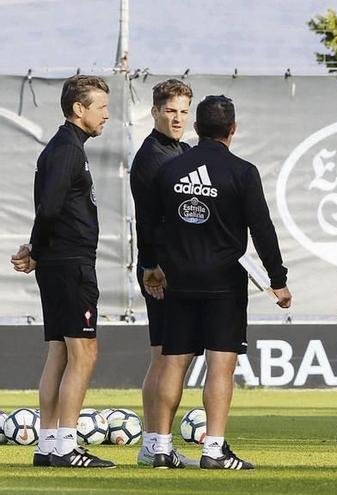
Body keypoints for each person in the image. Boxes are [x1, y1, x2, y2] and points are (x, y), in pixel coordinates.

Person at [138, 95, 291, 470]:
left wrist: (150, 265)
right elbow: (262, 230)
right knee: (221, 366)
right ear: (232, 130)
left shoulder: (171, 170)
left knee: (173, 363)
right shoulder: (242, 172)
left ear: (196, 127)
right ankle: (214, 449)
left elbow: (148, 223)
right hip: (224, 284)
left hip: (179, 281)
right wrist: (278, 280)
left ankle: (159, 446)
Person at [10, 75, 114, 468]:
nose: (107, 115)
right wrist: (36, 248)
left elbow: (51, 208)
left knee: (59, 352)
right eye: (101, 107)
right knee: (84, 352)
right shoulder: (68, 149)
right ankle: (67, 445)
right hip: (70, 264)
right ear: (79, 109)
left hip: (59, 263)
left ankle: (49, 443)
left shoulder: (66, 147)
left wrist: (38, 250)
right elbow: (50, 208)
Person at [130, 79, 197, 467]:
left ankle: (156, 443)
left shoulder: (181, 150)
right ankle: (157, 445)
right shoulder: (153, 157)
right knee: (168, 357)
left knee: (169, 356)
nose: (177, 118)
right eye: (171, 111)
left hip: (176, 267)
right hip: (163, 271)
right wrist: (151, 265)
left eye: (184, 111)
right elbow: (148, 220)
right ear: (155, 111)